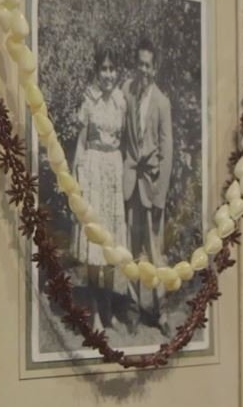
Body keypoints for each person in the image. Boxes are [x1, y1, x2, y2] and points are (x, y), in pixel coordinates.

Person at [71, 50, 132, 332]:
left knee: (110, 246)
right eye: (103, 69)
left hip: (113, 171)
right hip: (94, 170)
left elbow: (126, 141)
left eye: (112, 69)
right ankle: (95, 312)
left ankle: (108, 311)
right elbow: (82, 142)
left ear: (117, 72)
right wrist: (78, 177)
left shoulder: (121, 101)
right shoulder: (89, 100)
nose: (108, 74)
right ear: (97, 72)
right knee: (95, 245)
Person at [121, 37, 172, 326]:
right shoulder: (127, 92)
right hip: (131, 181)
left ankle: (160, 310)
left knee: (154, 251)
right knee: (130, 248)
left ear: (155, 69)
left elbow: (167, 152)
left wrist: (160, 195)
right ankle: (132, 306)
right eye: (139, 64)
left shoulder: (162, 103)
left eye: (148, 65)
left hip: (152, 187)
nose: (143, 70)